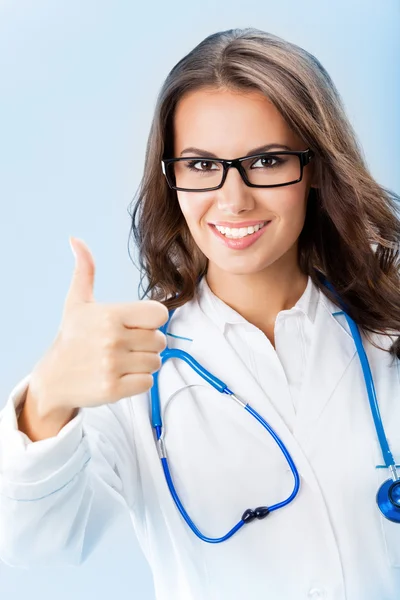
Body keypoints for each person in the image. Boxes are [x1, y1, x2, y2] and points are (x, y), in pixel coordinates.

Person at [1, 26, 400, 600]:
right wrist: (49, 397)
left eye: (266, 160)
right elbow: (36, 543)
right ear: (172, 178)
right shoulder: (135, 369)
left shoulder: (387, 336)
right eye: (200, 165)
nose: (233, 198)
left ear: (314, 170)